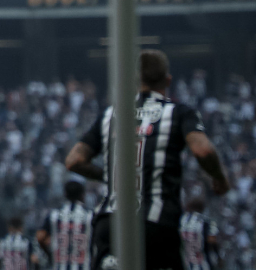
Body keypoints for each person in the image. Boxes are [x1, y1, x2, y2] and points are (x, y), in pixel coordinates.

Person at [65, 50, 230, 270]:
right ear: (168, 80)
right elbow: (203, 151)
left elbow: (74, 160)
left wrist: (106, 175)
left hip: (110, 223)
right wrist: (219, 177)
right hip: (156, 226)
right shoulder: (179, 113)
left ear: (136, 80)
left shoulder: (110, 115)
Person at [36, 181, 93, 270]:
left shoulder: (54, 215)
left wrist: (49, 254)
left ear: (65, 194)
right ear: (82, 195)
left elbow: (40, 237)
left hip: (60, 266)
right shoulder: (89, 216)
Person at [179, 198, 220, 270]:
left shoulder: (182, 220)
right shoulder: (206, 221)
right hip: (203, 263)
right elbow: (212, 241)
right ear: (202, 209)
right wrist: (218, 256)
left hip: (185, 263)